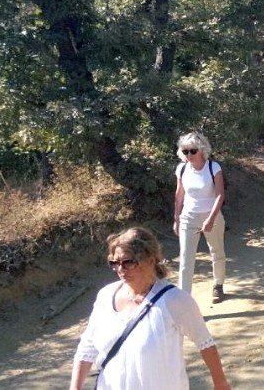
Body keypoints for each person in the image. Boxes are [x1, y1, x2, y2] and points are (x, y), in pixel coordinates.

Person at [69, 227, 230, 390]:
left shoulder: (174, 300)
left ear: (151, 260)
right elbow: (87, 348)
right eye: (114, 263)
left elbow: (205, 343)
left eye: (128, 262)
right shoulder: (105, 296)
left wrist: (220, 383)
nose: (120, 269)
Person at [173, 131, 227, 303]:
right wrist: (176, 218)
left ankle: (218, 285)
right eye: (185, 151)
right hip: (188, 216)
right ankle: (184, 300)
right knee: (186, 259)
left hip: (212, 215)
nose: (189, 155)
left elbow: (220, 195)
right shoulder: (181, 169)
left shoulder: (213, 167)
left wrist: (210, 219)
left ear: (202, 150)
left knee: (216, 252)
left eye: (193, 151)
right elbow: (179, 194)